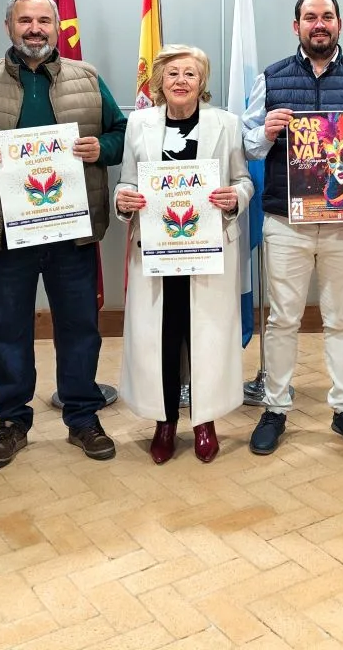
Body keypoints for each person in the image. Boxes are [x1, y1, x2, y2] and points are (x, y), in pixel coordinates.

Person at [0, 0, 127, 470]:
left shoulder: (87, 77)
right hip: (6, 231)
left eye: (43, 20)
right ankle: (12, 421)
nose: (35, 29)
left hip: (71, 230)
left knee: (79, 327)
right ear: (9, 27)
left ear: (56, 27)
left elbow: (122, 133)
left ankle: (82, 416)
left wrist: (101, 149)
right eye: (25, 21)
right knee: (8, 329)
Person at [242, 0, 343, 455]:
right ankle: (275, 408)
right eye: (310, 17)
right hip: (286, 221)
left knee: (340, 319)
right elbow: (246, 145)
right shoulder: (271, 79)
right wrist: (265, 131)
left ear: (339, 24)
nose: (319, 24)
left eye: (327, 16)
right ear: (297, 26)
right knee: (282, 318)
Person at [113, 45, 254, 463]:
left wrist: (235, 197)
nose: (181, 81)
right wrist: (124, 200)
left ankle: (205, 421)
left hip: (208, 249)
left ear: (201, 81)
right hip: (156, 252)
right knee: (163, 335)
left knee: (205, 334)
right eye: (173, 73)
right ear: (160, 80)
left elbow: (243, 180)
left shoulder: (226, 123)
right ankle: (165, 421)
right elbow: (126, 183)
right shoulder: (138, 124)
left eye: (190, 74)